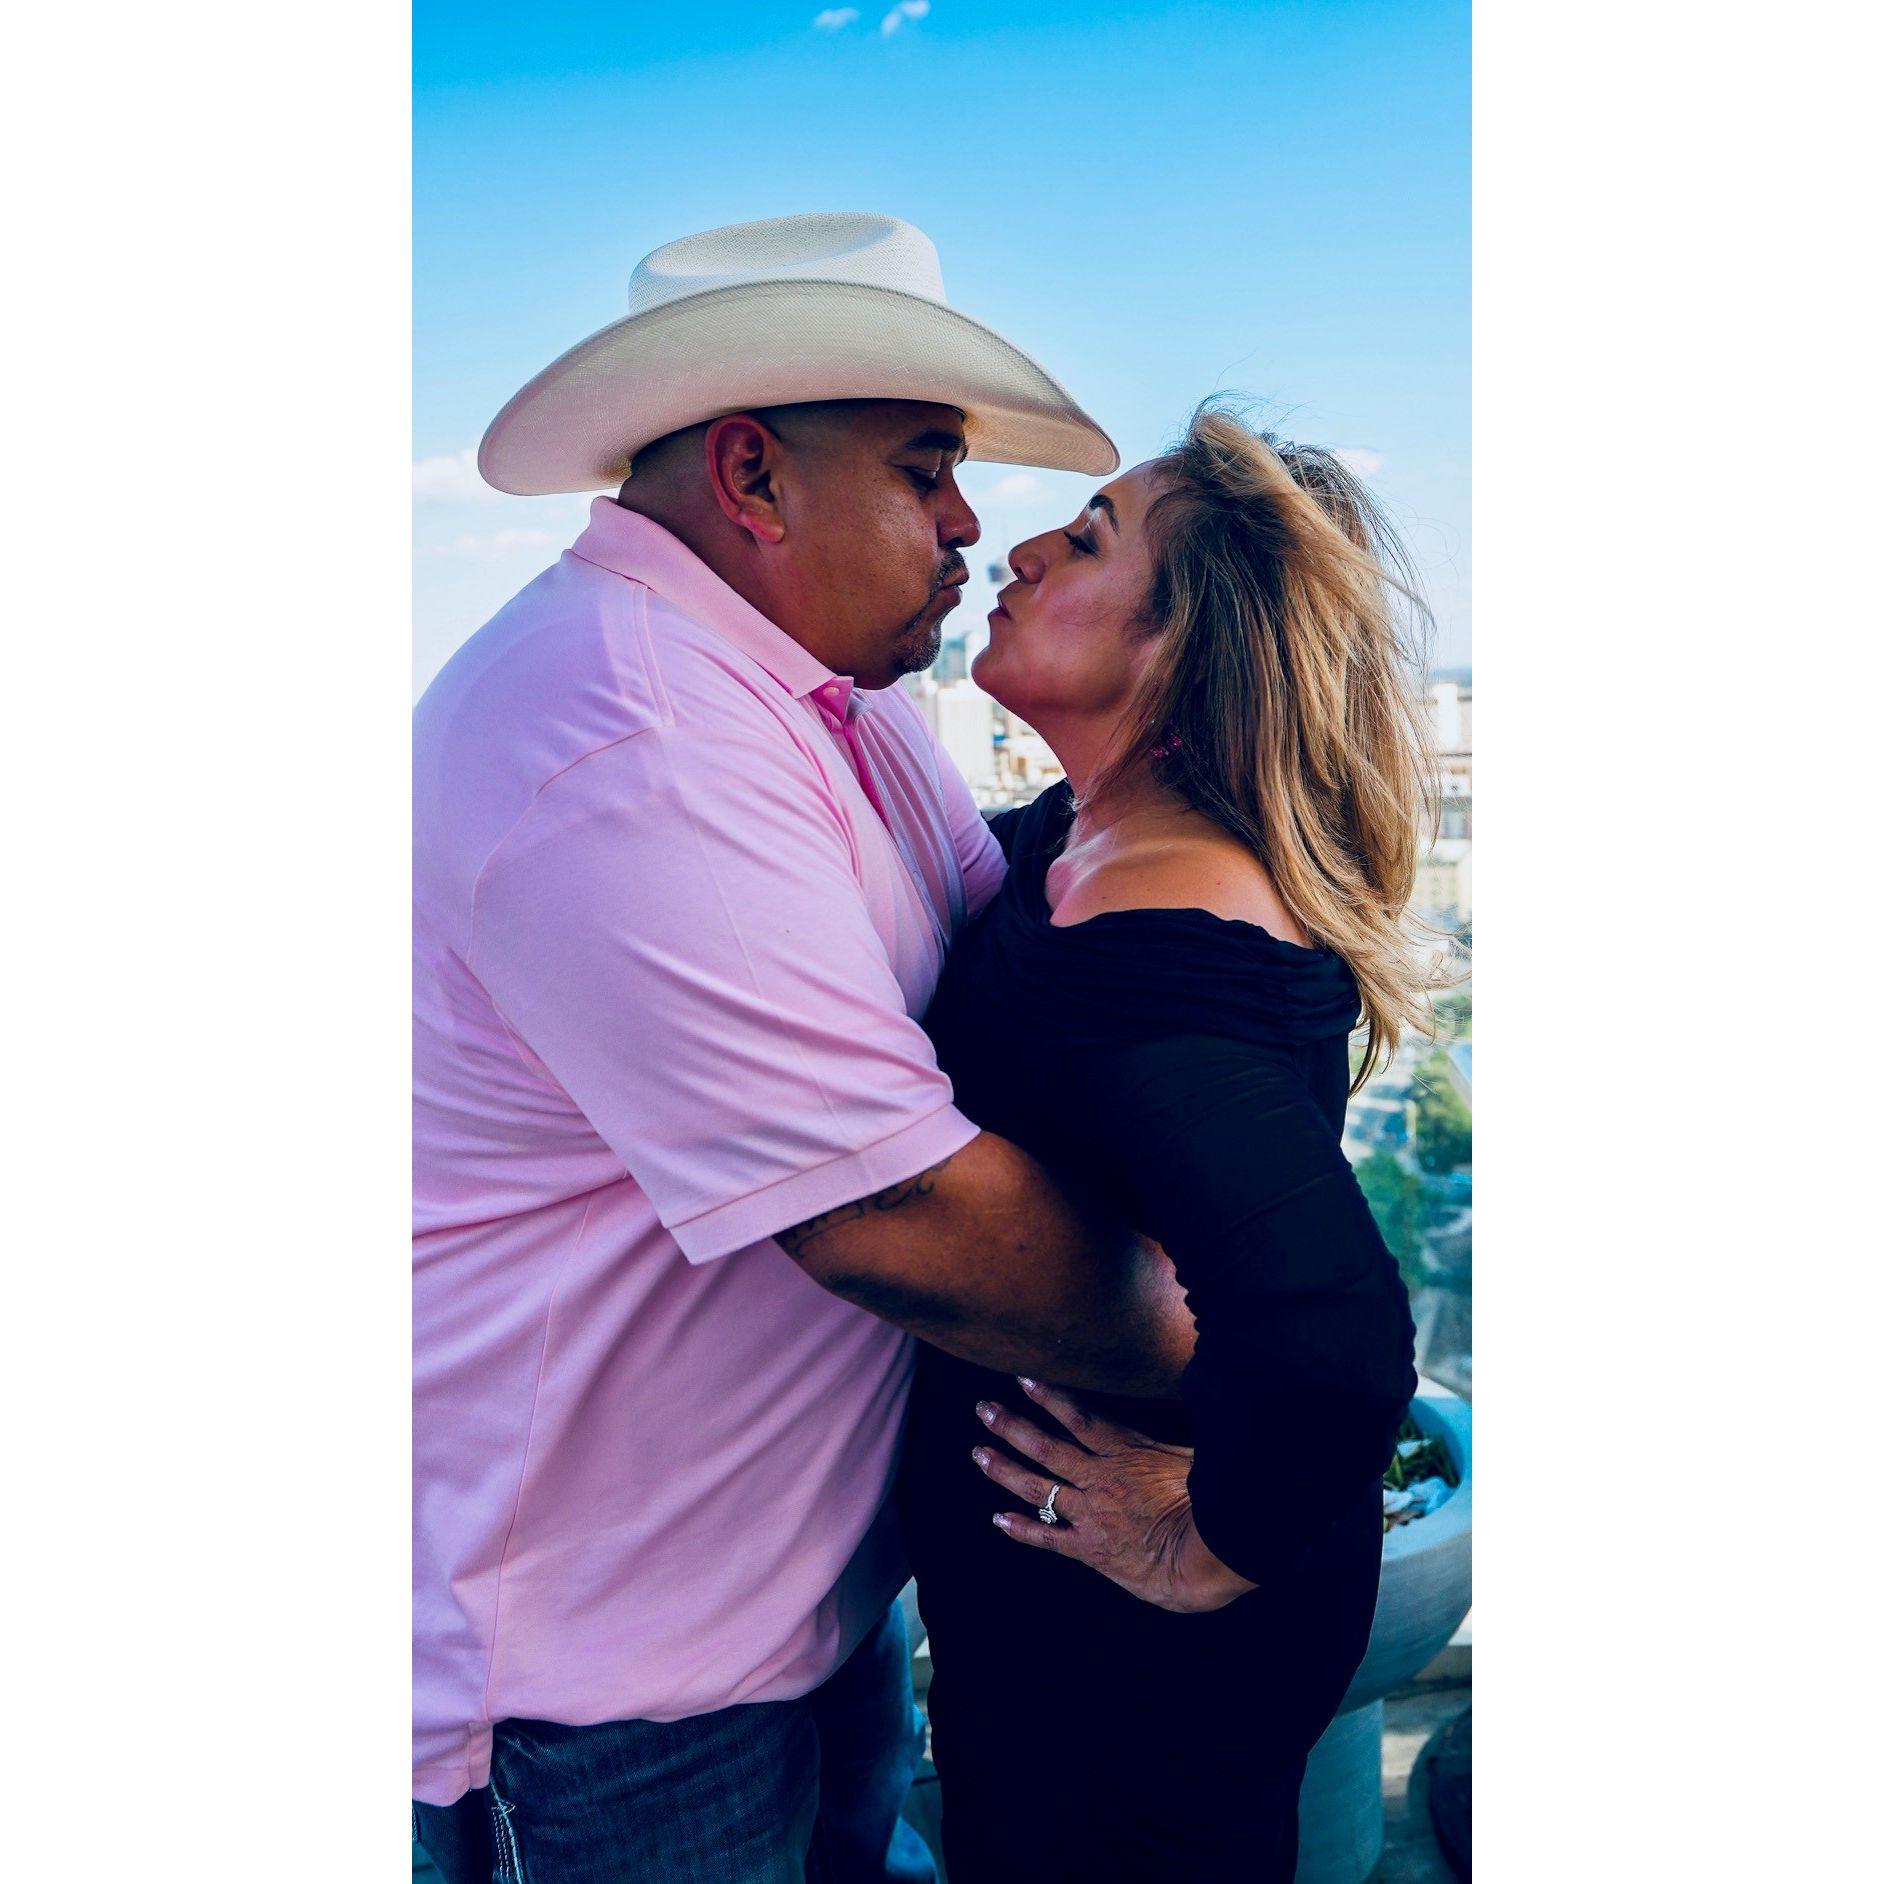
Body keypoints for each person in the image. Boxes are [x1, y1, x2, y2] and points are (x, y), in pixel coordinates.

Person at [412, 214, 1195, 1884]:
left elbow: (1002, 952)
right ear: (753, 476)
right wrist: (1267, 1360)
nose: (971, 521)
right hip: (611, 1695)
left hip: (798, 1606)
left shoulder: (827, 706)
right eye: (927, 468)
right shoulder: (629, 734)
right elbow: (893, 1212)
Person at [895, 402, 1430, 1882]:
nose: (1021, 547)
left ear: (1182, 648)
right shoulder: (1086, 841)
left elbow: (1332, 1339)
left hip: (1130, 1665)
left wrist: (1202, 1543)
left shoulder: (1164, 926)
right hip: (1062, 1622)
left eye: (1088, 540)